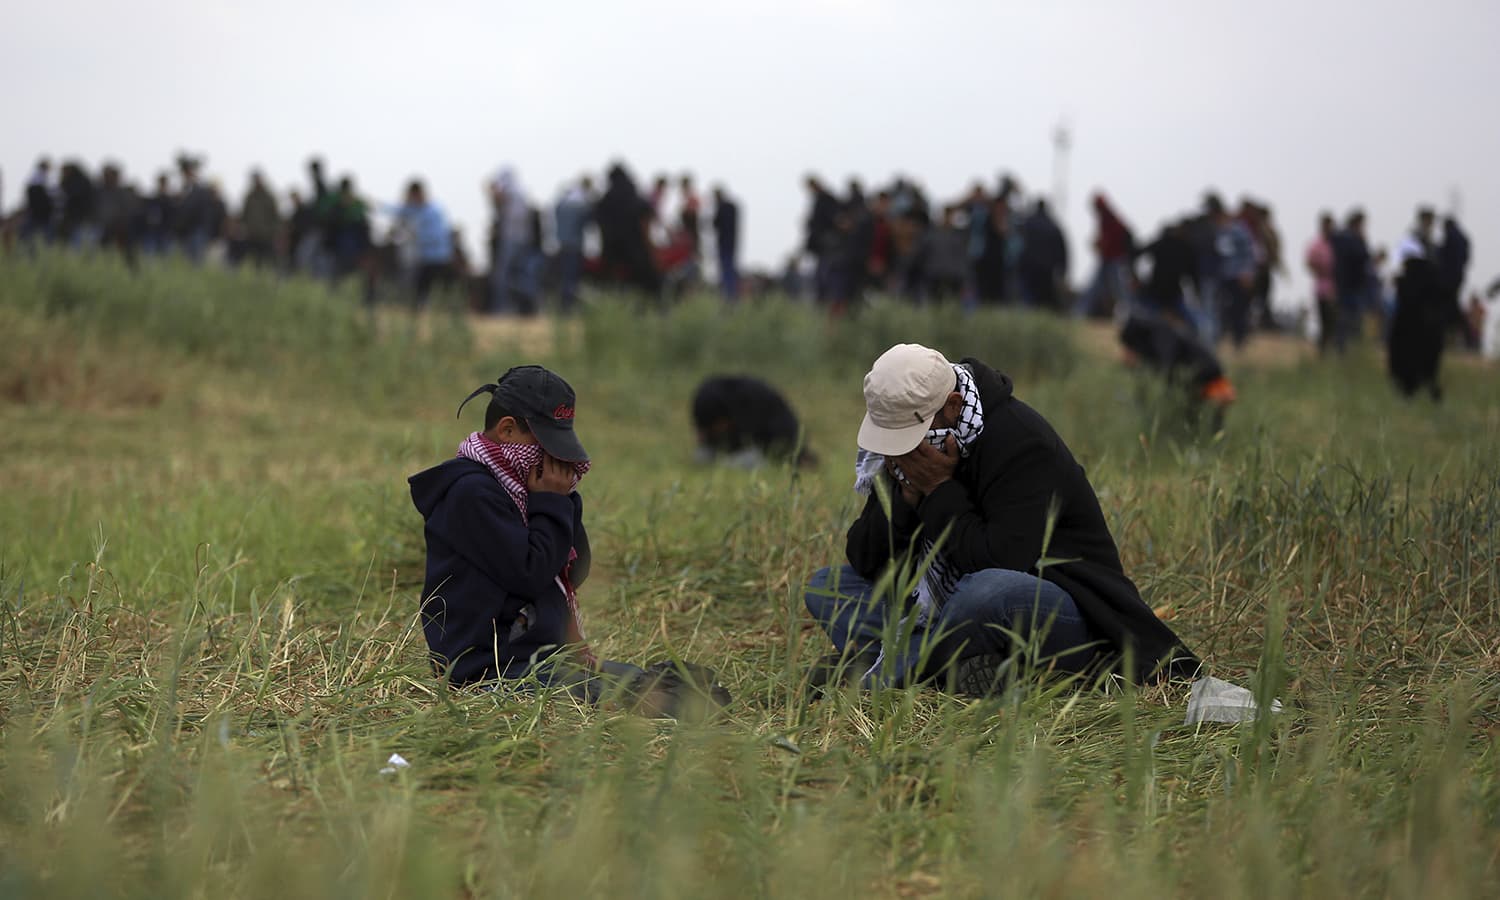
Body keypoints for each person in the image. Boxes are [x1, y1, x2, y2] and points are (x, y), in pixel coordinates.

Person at [803, 344, 1198, 695]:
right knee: (826, 587)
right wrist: (905, 498)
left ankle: (889, 672)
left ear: (953, 406)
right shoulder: (912, 454)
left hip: (1057, 607)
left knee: (987, 591)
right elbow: (865, 559)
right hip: (950, 611)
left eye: (908, 436)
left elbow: (1000, 560)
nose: (900, 451)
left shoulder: (1021, 442)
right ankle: (954, 670)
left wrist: (940, 489)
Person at [409, 367, 731, 716]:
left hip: (541, 655)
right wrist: (550, 502)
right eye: (545, 447)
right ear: (506, 430)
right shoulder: (471, 493)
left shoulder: (519, 489)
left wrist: (563, 501)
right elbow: (529, 574)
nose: (555, 462)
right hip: (488, 669)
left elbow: (574, 569)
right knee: (651, 701)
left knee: (665, 683)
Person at [691, 375, 815, 468]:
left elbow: (785, 440)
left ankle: (801, 458)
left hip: (769, 448)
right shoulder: (711, 399)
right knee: (703, 457)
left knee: (743, 461)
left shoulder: (752, 404)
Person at [1387, 216, 1448, 401]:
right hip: (1422, 326)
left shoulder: (1411, 278)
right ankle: (1423, 388)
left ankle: (1418, 389)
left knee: (1411, 361)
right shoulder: (1430, 273)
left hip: (1415, 326)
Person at [381, 179, 455, 310]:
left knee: (433, 293)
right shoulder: (415, 209)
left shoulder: (434, 211)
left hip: (438, 259)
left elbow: (437, 236)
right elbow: (396, 210)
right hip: (424, 259)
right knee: (421, 292)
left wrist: (413, 236)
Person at [1207, 195, 1257, 348]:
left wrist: (1247, 273)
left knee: (1239, 310)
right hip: (1222, 277)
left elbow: (1249, 253)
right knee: (1221, 308)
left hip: (1238, 276)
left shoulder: (1239, 230)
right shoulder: (1217, 232)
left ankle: (1239, 341)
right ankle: (1222, 339)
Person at [1075, 192, 1134, 318]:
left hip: (1115, 260)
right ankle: (1081, 312)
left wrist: (1099, 244)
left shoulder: (1110, 219)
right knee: (1095, 288)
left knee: (1120, 290)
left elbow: (1110, 241)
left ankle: (1131, 315)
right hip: (1108, 259)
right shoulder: (1106, 218)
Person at [1330, 209, 1372, 352]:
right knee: (1346, 318)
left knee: (1351, 318)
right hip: (1348, 286)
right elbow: (1362, 257)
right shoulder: (1349, 239)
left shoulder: (1342, 238)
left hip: (1350, 285)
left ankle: (1350, 348)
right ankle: (1343, 347)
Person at [1017, 199, 1068, 311]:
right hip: (1047, 270)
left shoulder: (1027, 223)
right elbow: (1062, 251)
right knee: (1044, 302)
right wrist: (1063, 270)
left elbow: (1018, 245)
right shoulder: (1053, 226)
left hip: (1029, 268)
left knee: (1029, 301)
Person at [553, 176, 593, 313]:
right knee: (571, 279)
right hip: (575, 246)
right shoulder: (581, 204)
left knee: (565, 278)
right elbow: (589, 224)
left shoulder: (562, 203)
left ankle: (564, 307)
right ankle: (568, 308)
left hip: (563, 244)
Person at [1305, 212, 1338, 354]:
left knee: (1334, 322)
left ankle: (1331, 350)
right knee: (1324, 321)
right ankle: (1322, 350)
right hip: (1322, 289)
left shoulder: (1337, 244)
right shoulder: (1316, 245)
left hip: (1336, 289)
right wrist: (1321, 270)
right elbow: (1309, 263)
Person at [239, 170, 281, 269]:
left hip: (267, 235)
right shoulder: (249, 197)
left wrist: (276, 232)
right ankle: (257, 279)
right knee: (255, 260)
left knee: (270, 258)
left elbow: (275, 216)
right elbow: (244, 214)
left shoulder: (269, 196)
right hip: (252, 234)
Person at [711, 185, 740, 302]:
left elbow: (715, 224)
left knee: (726, 270)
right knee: (729, 269)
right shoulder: (732, 207)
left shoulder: (722, 207)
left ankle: (728, 296)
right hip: (731, 244)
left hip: (724, 244)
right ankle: (731, 295)